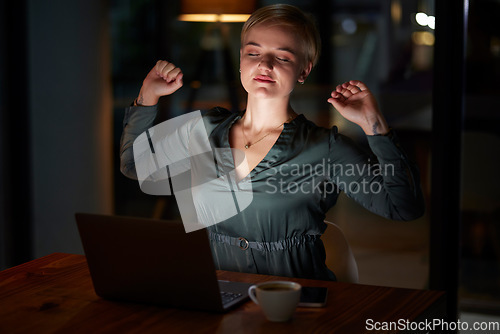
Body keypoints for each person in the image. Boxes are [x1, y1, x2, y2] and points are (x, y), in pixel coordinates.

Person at [120, 4, 425, 281]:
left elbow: (404, 207)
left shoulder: (324, 148)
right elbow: (136, 165)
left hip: (299, 310)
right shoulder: (204, 128)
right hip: (219, 302)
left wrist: (375, 124)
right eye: (253, 53)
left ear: (304, 69)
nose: (264, 65)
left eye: (282, 56)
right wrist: (148, 96)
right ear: (241, 61)